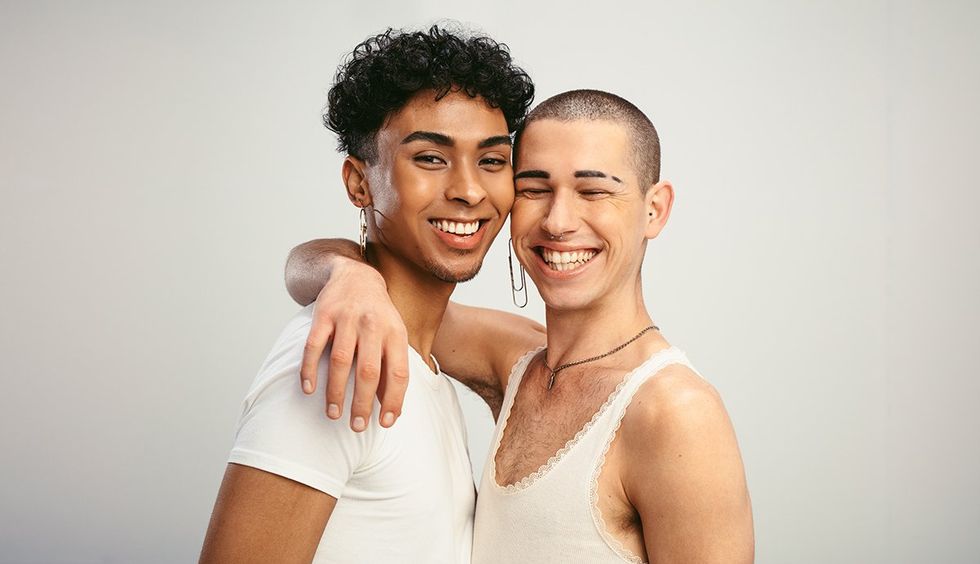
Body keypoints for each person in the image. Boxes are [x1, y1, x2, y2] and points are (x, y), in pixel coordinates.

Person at [287, 90, 754, 562]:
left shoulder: (675, 412)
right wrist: (347, 274)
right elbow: (390, 301)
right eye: (534, 189)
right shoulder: (515, 358)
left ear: (655, 209)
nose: (558, 222)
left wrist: (351, 278)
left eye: (593, 191)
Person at [199, 26, 535, 563]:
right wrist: (345, 273)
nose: (469, 190)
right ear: (359, 183)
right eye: (430, 158)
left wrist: (343, 269)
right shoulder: (339, 358)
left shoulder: (423, 361)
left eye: (492, 161)